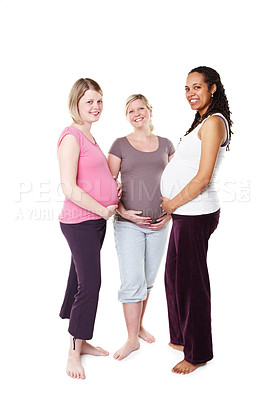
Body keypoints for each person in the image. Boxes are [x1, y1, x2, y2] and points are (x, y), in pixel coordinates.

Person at [160, 66, 232, 374]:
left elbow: (202, 178)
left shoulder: (214, 122)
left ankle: (198, 352)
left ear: (212, 88)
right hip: (184, 214)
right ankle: (182, 338)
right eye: (187, 88)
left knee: (192, 285)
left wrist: (172, 204)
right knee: (174, 277)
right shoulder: (199, 123)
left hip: (195, 212)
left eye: (197, 87)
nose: (191, 93)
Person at [58, 78, 119, 379]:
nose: (95, 107)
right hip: (79, 221)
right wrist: (102, 209)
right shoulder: (71, 137)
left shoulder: (91, 138)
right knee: (90, 285)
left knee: (80, 279)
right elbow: (69, 187)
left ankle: (81, 341)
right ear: (76, 104)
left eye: (99, 101)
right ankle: (73, 352)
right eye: (88, 102)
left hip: (95, 221)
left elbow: (95, 179)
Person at [108, 94, 175, 360]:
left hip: (159, 225)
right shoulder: (120, 145)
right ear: (127, 116)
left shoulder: (166, 144)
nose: (137, 113)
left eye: (141, 108)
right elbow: (107, 183)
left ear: (149, 111)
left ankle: (139, 326)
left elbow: (176, 183)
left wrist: (170, 213)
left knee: (146, 281)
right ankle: (131, 339)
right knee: (132, 281)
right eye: (131, 110)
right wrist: (124, 212)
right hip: (129, 226)